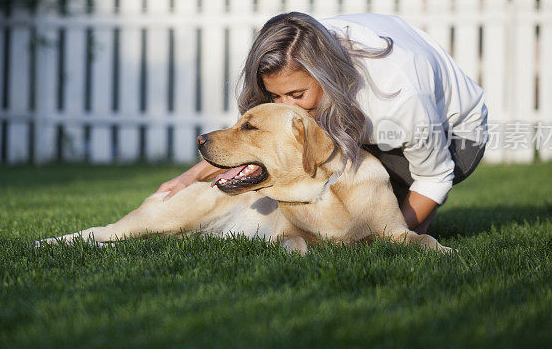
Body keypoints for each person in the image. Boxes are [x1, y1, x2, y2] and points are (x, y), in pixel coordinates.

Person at [156, 12, 488, 235]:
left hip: (455, 135)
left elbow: (435, 177)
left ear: (325, 75)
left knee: (373, 216)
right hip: (356, 115)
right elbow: (255, 139)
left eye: (296, 94)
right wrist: (189, 177)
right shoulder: (295, 50)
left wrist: (395, 238)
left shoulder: (398, 99)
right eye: (275, 96)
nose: (285, 108)